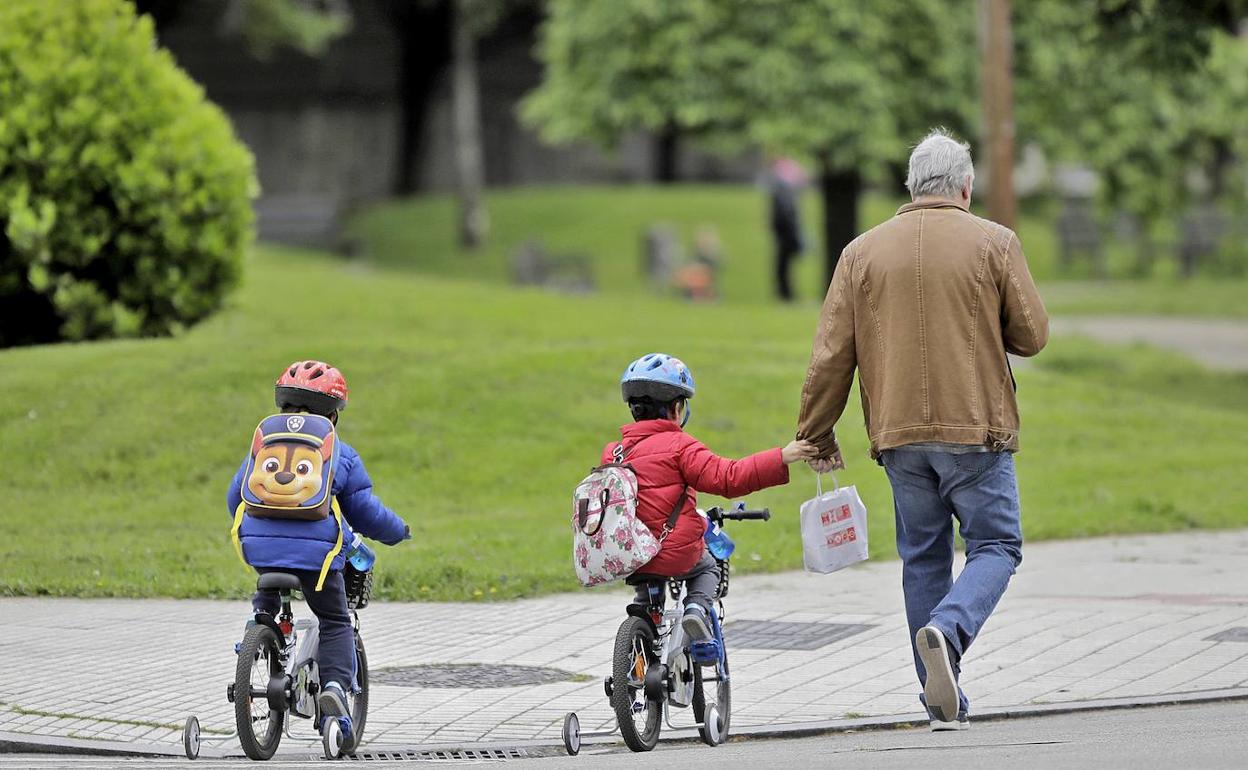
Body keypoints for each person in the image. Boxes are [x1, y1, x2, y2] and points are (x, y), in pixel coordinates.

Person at [795, 129, 1049, 730]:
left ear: (912, 188)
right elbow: (1032, 336)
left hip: (899, 435)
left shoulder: (860, 252)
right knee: (996, 545)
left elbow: (832, 354)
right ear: (966, 186)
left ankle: (941, 696)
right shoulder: (996, 243)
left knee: (923, 558)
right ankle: (949, 633)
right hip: (976, 431)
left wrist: (816, 431)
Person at [226, 360, 410, 730]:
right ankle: (335, 687)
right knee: (335, 619)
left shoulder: (262, 452)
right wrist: (397, 531)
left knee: (270, 587)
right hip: (318, 560)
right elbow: (365, 512)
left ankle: (259, 627)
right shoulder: (340, 454)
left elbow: (236, 499)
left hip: (259, 551)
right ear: (333, 416)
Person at [610, 353, 818, 640]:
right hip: (675, 553)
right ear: (676, 408)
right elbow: (728, 477)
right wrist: (781, 457)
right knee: (707, 567)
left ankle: (642, 620)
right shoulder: (680, 446)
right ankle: (696, 608)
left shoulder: (615, 453)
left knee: (647, 578)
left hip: (630, 554)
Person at [766, 155, 807, 302]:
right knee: (784, 266)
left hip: (785, 234)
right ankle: (786, 294)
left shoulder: (781, 189)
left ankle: (785, 294)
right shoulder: (784, 190)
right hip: (786, 233)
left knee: (783, 266)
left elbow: (784, 213)